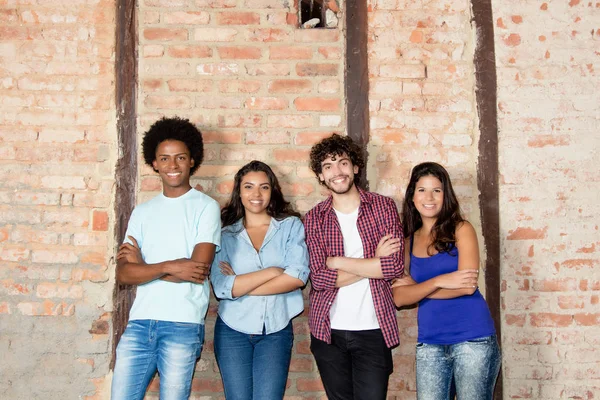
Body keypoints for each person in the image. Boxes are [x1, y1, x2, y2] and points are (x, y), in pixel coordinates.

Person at [112, 117, 221, 400]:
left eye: (180, 158)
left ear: (192, 161)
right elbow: (124, 275)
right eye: (165, 158)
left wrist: (144, 267)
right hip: (139, 324)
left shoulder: (206, 207)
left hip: (182, 325)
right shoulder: (142, 212)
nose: (172, 165)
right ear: (155, 163)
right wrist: (171, 267)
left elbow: (197, 270)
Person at [303, 134, 404, 400]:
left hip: (373, 329)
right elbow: (320, 278)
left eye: (343, 163)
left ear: (356, 167)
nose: (337, 172)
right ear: (321, 176)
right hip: (328, 332)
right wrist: (373, 261)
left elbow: (393, 267)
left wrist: (338, 262)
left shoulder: (383, 207)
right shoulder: (314, 218)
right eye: (328, 166)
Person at [392, 162, 501, 400]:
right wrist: (440, 280)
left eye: (437, 190)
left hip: (473, 339)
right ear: (412, 196)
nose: (429, 197)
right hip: (430, 344)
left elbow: (466, 285)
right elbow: (398, 298)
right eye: (421, 190)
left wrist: (417, 289)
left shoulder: (461, 229)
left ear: (445, 195)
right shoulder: (408, 242)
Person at [210, 160, 310, 400]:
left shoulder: (289, 226)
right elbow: (223, 287)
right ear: (239, 192)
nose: (256, 194)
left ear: (272, 191)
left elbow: (297, 276)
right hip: (232, 331)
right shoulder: (224, 233)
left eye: (264, 187)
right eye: (248, 187)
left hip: (275, 331)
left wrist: (241, 285)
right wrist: (273, 271)